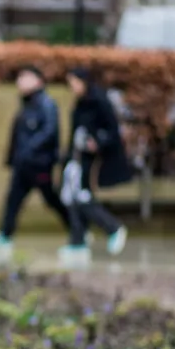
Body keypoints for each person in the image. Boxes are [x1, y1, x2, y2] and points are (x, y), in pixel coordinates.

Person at [0, 65, 69, 248]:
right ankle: (5, 235)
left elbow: (50, 131)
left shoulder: (46, 104)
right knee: (13, 199)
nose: (20, 81)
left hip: (39, 164)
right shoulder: (27, 103)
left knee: (52, 199)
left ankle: (78, 229)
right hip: (23, 163)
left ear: (39, 81)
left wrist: (29, 150)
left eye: (26, 77)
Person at [59, 68, 131, 260]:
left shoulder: (99, 101)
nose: (72, 87)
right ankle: (78, 240)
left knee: (83, 196)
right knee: (70, 196)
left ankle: (113, 228)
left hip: (92, 159)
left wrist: (97, 142)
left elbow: (113, 131)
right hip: (76, 157)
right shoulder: (80, 103)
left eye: (74, 82)